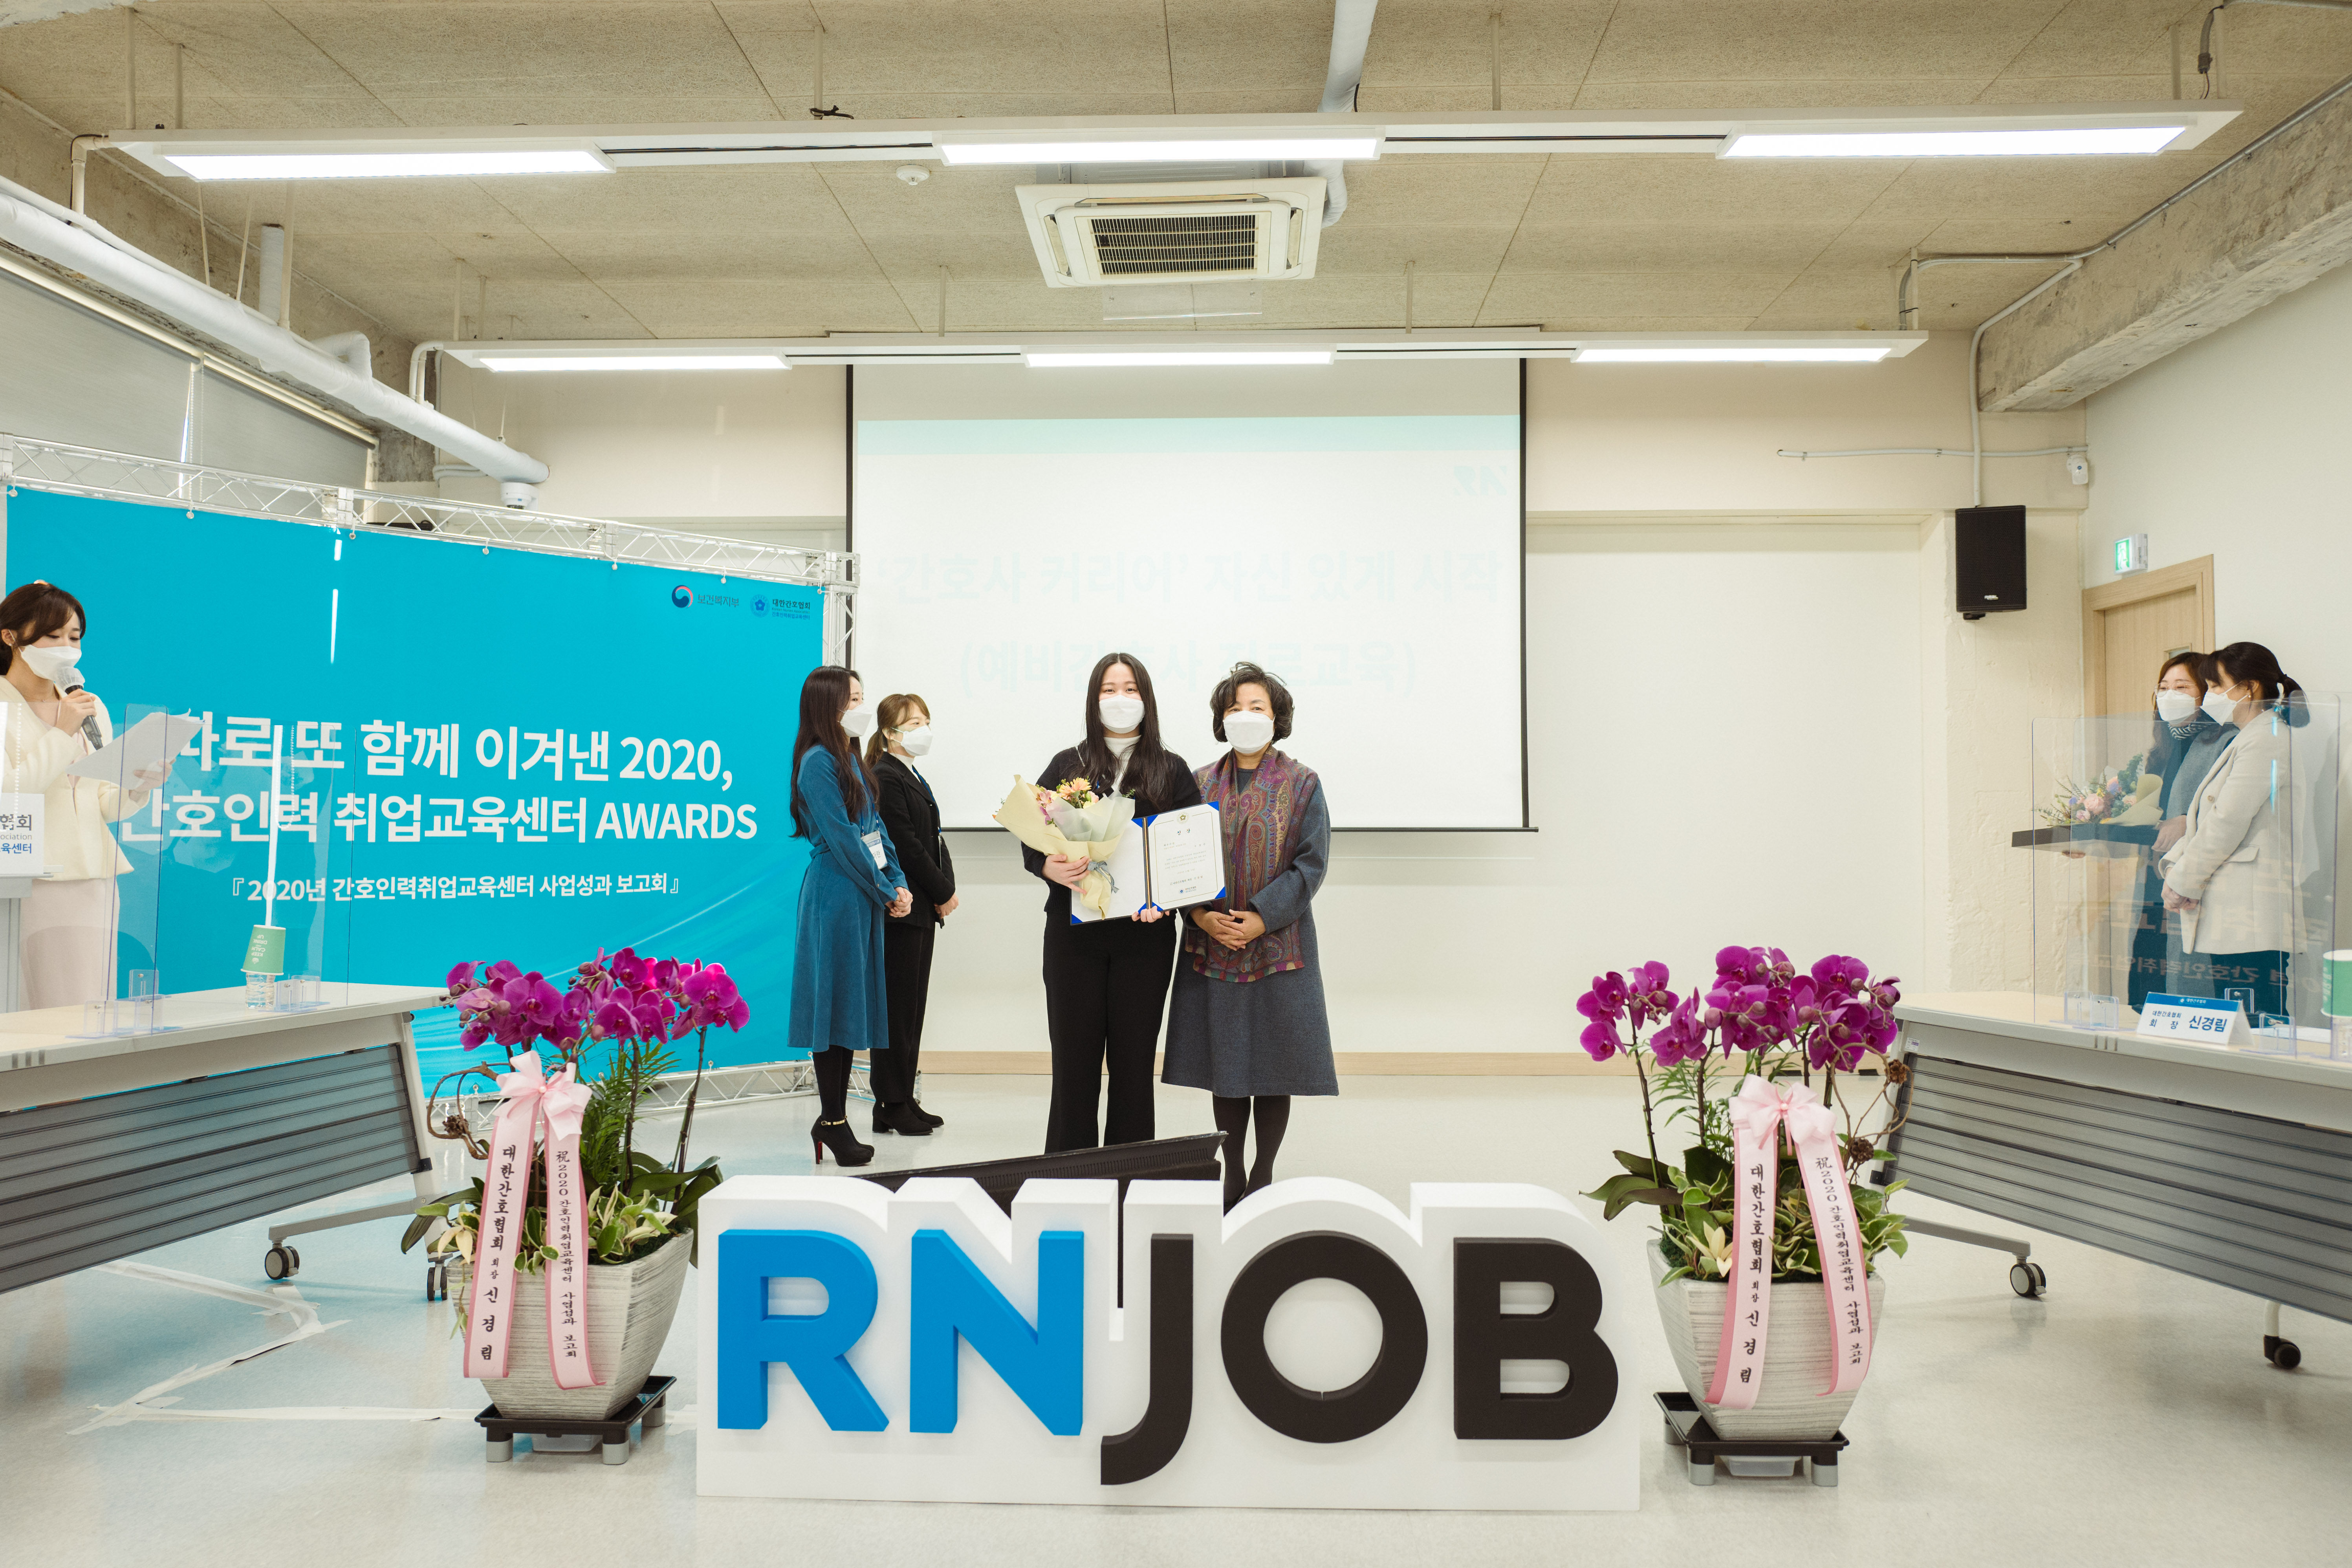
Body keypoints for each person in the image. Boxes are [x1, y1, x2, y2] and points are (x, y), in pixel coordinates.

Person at [1162, 663, 1337, 1209]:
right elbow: (1175, 861)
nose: (1245, 715)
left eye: (1257, 706)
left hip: (1278, 946)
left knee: (1273, 1066)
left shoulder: (1303, 783)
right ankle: (1233, 1172)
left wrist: (1263, 915)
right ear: (1221, 718)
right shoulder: (1196, 783)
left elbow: (1312, 864)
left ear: (1277, 717)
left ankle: (1263, 1173)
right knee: (1228, 1068)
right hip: (1212, 944)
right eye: (1234, 707)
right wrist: (1199, 915)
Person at [1024, 652, 1202, 1152]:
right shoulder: (1068, 764)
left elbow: (1188, 850)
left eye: (1130, 689)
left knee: (1134, 1065)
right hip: (1074, 936)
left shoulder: (1172, 769)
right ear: (1093, 699)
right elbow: (1032, 834)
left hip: (1144, 938)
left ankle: (1130, 1173)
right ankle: (1069, 1174)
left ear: (1146, 699)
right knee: (1073, 1065)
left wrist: (1168, 900)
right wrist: (1047, 866)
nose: (1120, 699)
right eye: (1109, 690)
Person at [0, 581, 161, 1009]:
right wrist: (61, 733)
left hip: (95, 879)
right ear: (10, 636)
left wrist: (138, 785)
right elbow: (10, 794)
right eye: (52, 636)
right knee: (37, 1005)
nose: (67, 649)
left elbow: (99, 802)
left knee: (92, 1004)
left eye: (74, 638)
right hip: (28, 880)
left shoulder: (88, 705)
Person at [788, 666, 912, 1166]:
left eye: (862, 697)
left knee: (848, 1007)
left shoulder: (851, 757)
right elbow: (842, 838)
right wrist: (884, 888)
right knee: (832, 1005)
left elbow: (874, 828)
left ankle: (833, 1120)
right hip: (835, 894)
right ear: (828, 705)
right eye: (852, 699)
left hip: (861, 892)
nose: (861, 708)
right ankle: (833, 1120)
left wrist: (897, 880)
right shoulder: (817, 762)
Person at [2162, 641, 2304, 1020]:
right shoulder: (2251, 736)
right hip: (2236, 904)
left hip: (2250, 907)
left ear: (2249, 688)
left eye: (2215, 686)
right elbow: (2209, 819)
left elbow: (2227, 821)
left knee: (2256, 1023)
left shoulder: (2266, 738)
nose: (2210, 695)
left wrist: (2182, 881)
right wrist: (2176, 870)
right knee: (2240, 1020)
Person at [866, 692, 954, 1136]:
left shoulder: (911, 773)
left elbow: (934, 837)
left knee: (913, 1009)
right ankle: (890, 1101)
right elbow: (906, 845)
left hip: (923, 909)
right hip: (902, 909)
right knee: (897, 1012)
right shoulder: (885, 775)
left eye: (925, 720)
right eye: (913, 723)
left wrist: (946, 888)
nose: (924, 730)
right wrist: (941, 890)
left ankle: (903, 1096)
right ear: (889, 732)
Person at [2126, 652, 2233, 1006]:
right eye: (2163, 687)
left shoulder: (2226, 741)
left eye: (2182, 687)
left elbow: (2229, 811)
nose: (2169, 695)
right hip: (2155, 876)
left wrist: (2188, 821)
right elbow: (2145, 818)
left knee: (2190, 976)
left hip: (2198, 878)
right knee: (2150, 973)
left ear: (2207, 692)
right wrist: (2093, 837)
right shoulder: (2161, 750)